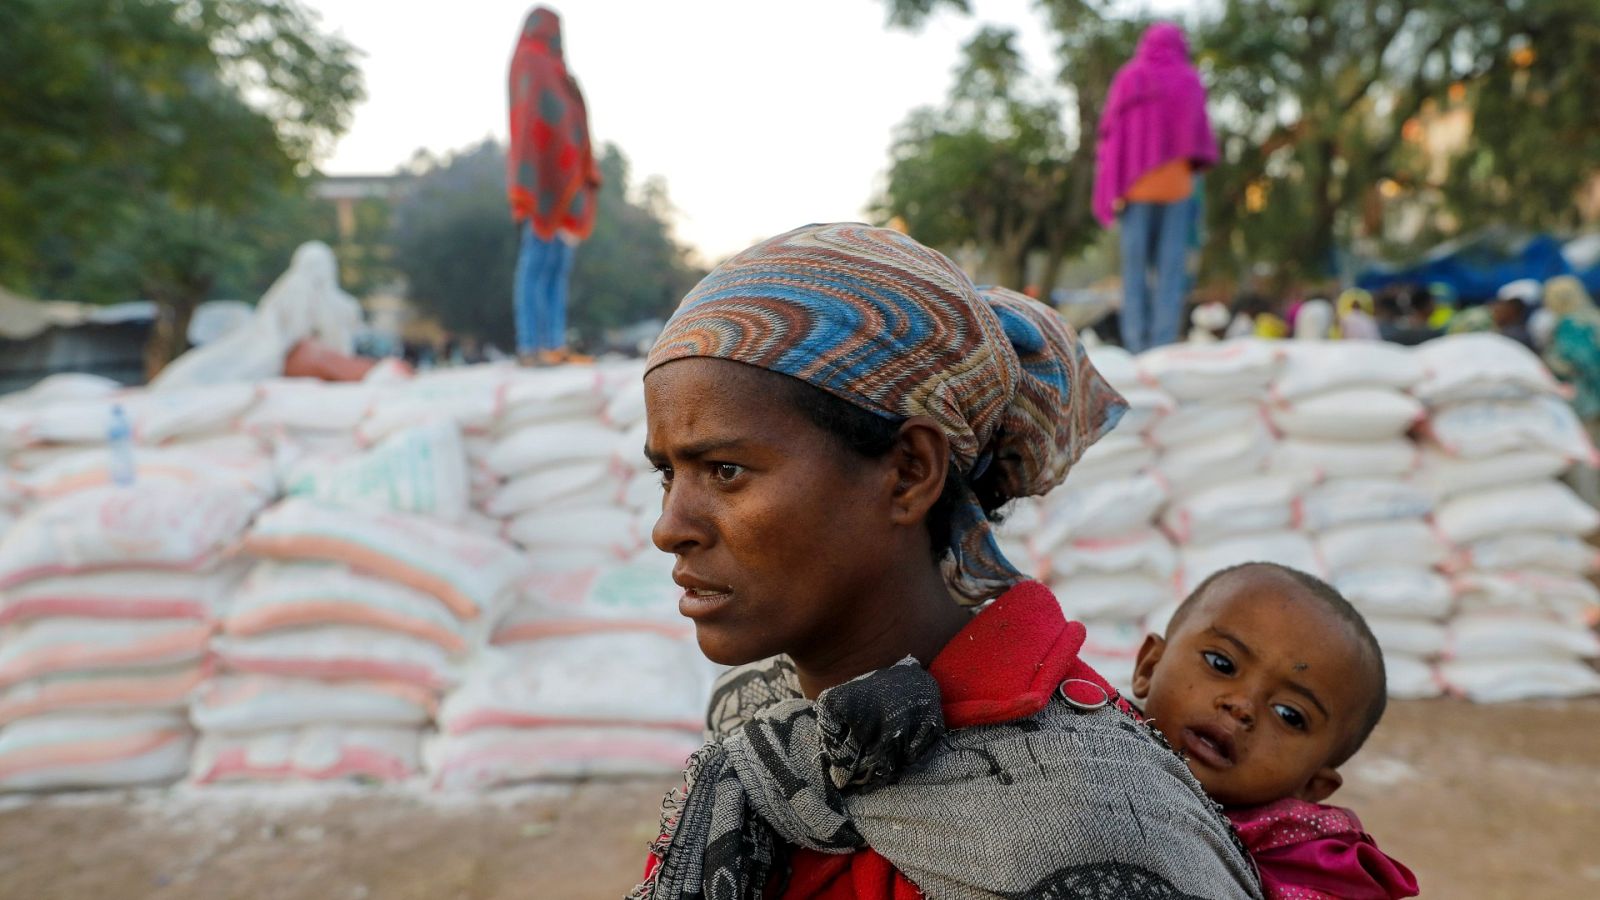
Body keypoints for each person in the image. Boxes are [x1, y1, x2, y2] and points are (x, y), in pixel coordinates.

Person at [632, 223, 1261, 899]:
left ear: (908, 472)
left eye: (725, 470)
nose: (670, 529)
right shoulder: (761, 719)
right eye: (667, 474)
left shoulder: (1094, 818)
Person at [1132, 562, 1419, 900]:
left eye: (1289, 715)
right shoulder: (1078, 740)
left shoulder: (1310, 874)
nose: (1241, 706)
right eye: (1221, 663)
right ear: (1150, 666)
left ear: (1313, 785)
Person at [1094, 22, 1218, 354]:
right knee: (1170, 271)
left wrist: (1114, 178)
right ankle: (1162, 344)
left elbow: (1110, 133)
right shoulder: (1189, 79)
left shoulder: (1130, 77)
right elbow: (1199, 135)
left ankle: (1136, 344)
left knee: (1134, 270)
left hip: (1136, 188)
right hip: (1177, 188)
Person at [507, 6, 600, 366]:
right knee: (536, 261)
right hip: (542, 179)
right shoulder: (530, 60)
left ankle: (554, 343)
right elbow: (533, 120)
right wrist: (538, 177)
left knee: (558, 265)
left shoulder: (558, 70)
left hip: (566, 180)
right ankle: (531, 345)